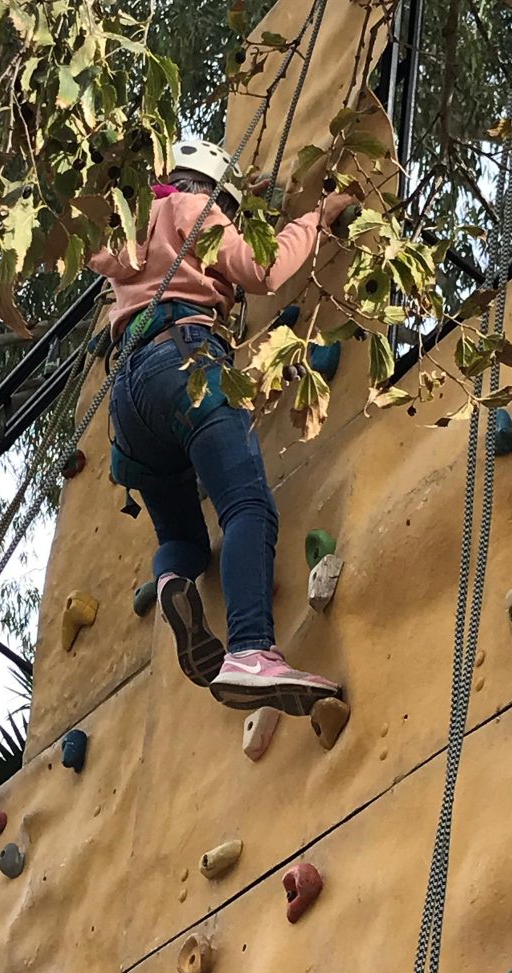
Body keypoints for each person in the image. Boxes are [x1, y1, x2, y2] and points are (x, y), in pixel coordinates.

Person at [89, 140, 353, 716]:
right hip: (186, 359)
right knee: (246, 506)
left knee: (182, 541)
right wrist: (318, 216)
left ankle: (172, 583)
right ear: (211, 191)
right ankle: (251, 650)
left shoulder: (130, 229)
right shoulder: (193, 206)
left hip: (130, 399)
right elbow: (262, 269)